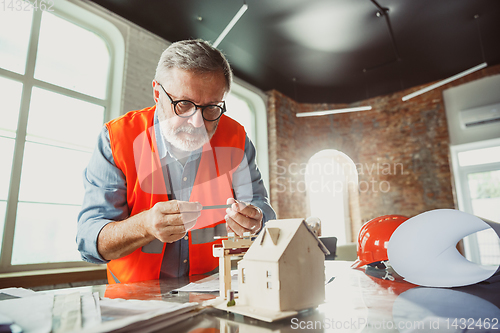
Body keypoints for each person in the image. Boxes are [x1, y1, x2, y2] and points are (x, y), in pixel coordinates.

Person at [77, 39, 276, 284]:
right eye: (183, 105)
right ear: (157, 93)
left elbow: (263, 212)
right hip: (133, 303)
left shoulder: (236, 138)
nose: (197, 123)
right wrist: (145, 226)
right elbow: (88, 241)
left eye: (211, 108)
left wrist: (255, 220)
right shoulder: (117, 139)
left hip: (211, 296)